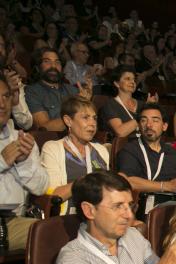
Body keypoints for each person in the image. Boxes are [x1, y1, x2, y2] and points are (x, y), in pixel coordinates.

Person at [0, 74, 48, 250]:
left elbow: (41, 187)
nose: (2, 104)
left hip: (14, 222)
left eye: (6, 96)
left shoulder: (22, 139)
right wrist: (2, 161)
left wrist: (24, 163)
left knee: (55, 231)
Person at [41, 96, 109, 215]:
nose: (92, 123)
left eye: (94, 118)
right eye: (85, 118)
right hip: (66, 218)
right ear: (68, 121)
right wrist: (86, 181)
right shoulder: (52, 148)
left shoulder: (101, 150)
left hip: (98, 217)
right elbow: (53, 196)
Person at [116, 103, 176, 215]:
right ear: (139, 125)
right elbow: (127, 181)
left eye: (155, 120)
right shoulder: (130, 149)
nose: (149, 125)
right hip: (143, 207)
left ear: (164, 126)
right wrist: (166, 186)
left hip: (174, 206)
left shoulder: (172, 152)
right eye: (144, 120)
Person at [25, 47, 92, 131]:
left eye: (57, 62)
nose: (53, 66)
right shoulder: (32, 91)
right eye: (47, 61)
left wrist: (86, 104)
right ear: (38, 67)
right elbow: (44, 128)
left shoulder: (73, 90)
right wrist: (77, 107)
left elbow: (89, 123)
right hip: (52, 140)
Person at [98, 65, 158, 138]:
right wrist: (144, 112)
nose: (132, 82)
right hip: (122, 146)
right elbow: (120, 132)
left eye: (134, 79)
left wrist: (152, 108)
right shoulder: (110, 105)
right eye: (127, 79)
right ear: (117, 83)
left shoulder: (142, 104)